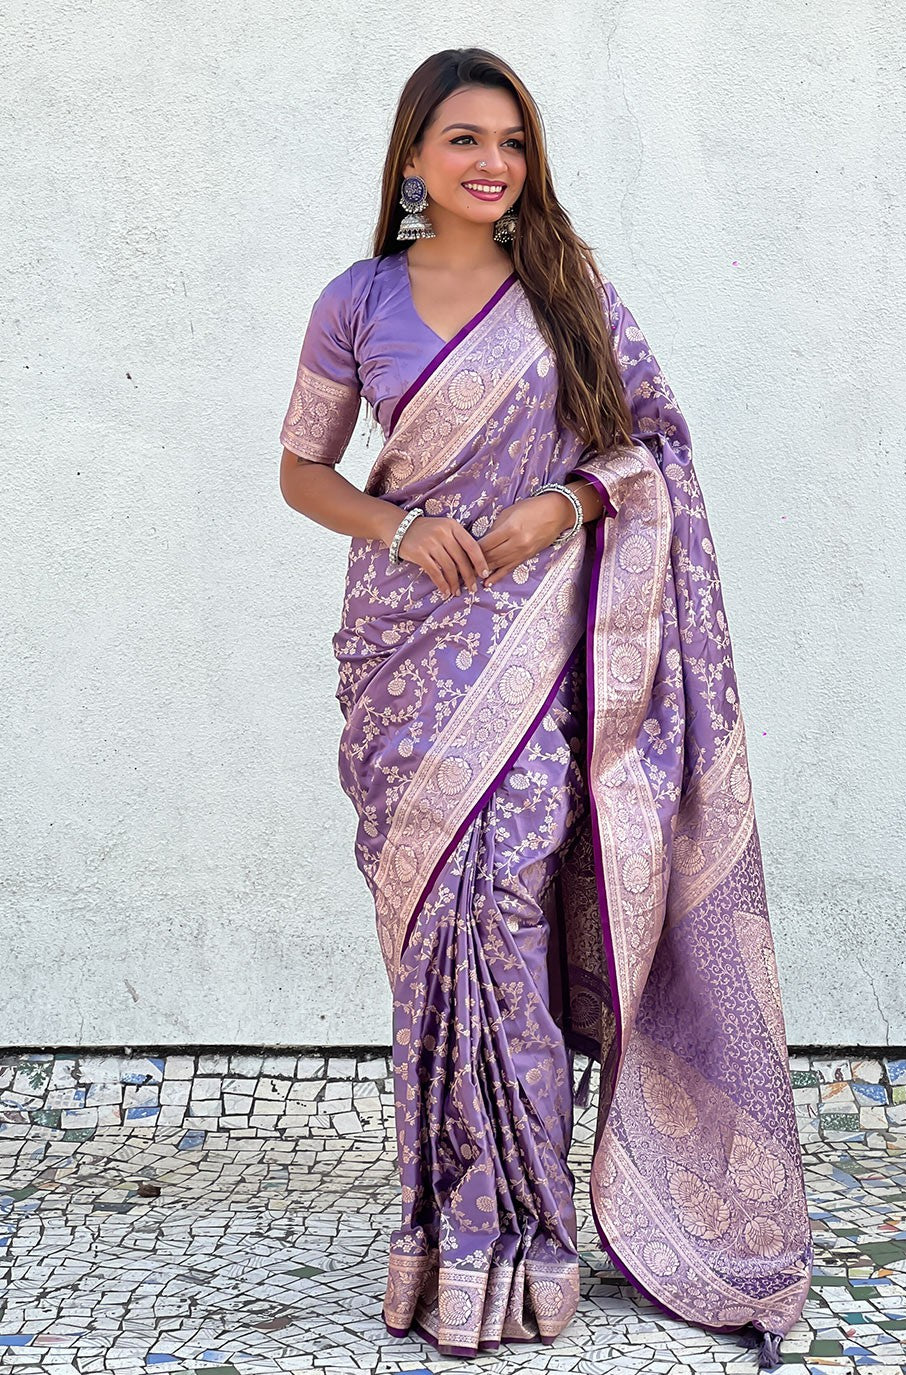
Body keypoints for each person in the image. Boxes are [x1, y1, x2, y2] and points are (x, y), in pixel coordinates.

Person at [278, 47, 812, 1372]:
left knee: (504, 923)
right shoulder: (356, 301)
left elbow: (652, 450)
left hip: (534, 655)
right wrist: (398, 528)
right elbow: (302, 471)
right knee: (432, 950)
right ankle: (442, 1241)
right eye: (465, 139)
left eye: (512, 142)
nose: (492, 164)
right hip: (405, 656)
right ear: (413, 155)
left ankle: (531, 1242)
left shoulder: (567, 294)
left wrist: (561, 506)